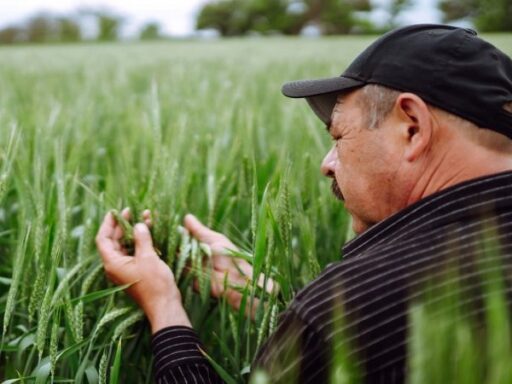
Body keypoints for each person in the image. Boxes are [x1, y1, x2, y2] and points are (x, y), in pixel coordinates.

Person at [96, 24, 512, 383]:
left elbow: (365, 329)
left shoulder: (353, 307)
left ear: (413, 127)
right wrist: (271, 301)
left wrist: (165, 310)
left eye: (338, 137)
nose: (326, 165)